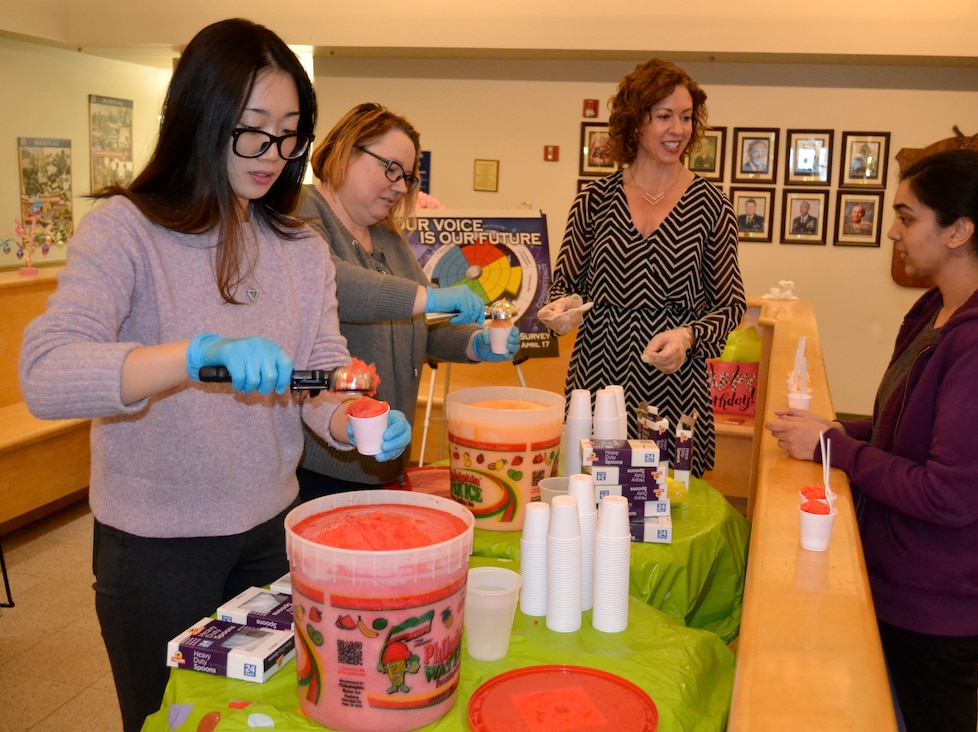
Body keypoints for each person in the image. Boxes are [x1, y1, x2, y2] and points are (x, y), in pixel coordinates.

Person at [18, 19, 411, 731]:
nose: (273, 153)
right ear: (200, 114)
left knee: (264, 719)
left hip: (270, 531)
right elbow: (46, 372)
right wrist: (194, 356)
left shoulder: (299, 248)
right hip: (156, 551)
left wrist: (349, 417)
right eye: (253, 128)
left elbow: (314, 378)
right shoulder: (125, 230)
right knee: (168, 721)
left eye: (289, 132)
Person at [767, 149, 978, 732]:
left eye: (907, 218)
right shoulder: (941, 306)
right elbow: (902, 426)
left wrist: (834, 447)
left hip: (945, 590)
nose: (893, 231)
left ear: (959, 231)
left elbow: (949, 495)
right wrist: (828, 433)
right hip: (906, 565)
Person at [294, 103, 519, 498]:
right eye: (390, 169)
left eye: (408, 177)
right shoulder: (300, 211)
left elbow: (421, 323)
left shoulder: (385, 235)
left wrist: (472, 341)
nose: (400, 186)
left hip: (386, 461)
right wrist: (428, 296)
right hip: (323, 465)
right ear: (346, 151)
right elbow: (333, 284)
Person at [539, 58, 745, 477]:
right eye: (664, 116)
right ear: (635, 123)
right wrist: (561, 311)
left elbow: (731, 305)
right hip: (597, 373)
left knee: (668, 507)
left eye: (686, 118)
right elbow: (564, 285)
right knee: (591, 499)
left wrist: (687, 336)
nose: (679, 130)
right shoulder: (594, 200)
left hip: (672, 378)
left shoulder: (711, 205)